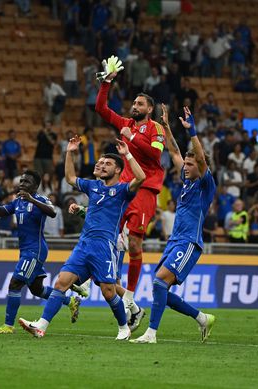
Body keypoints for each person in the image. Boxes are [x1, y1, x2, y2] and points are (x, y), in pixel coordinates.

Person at [19, 135, 145, 340]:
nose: (101, 165)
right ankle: (41, 326)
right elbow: (70, 178)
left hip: (104, 246)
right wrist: (70, 151)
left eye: (108, 164)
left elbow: (140, 178)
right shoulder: (93, 186)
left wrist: (128, 154)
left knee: (108, 291)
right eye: (101, 162)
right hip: (83, 245)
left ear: (118, 170)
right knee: (61, 282)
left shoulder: (122, 190)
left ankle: (124, 328)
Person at [130, 105, 216, 344]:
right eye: (185, 165)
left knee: (159, 282)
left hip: (189, 242)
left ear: (201, 167)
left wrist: (193, 132)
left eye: (191, 165)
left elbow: (199, 156)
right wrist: (167, 127)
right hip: (174, 241)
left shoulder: (205, 186)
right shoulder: (187, 183)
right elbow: (175, 151)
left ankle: (151, 334)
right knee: (160, 290)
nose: (185, 168)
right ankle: (201, 318)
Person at [95, 61, 165, 330]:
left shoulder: (155, 129)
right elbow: (101, 109)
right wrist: (106, 83)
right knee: (107, 234)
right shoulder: (126, 123)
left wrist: (131, 138)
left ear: (149, 109)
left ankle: (131, 298)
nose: (134, 107)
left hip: (145, 188)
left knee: (135, 244)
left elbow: (155, 155)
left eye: (139, 104)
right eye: (134, 103)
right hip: (123, 188)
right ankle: (101, 282)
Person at [0, 170, 80, 334]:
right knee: (37, 289)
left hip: (35, 250)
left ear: (35, 186)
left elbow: (52, 212)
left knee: (15, 284)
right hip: (25, 251)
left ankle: (8, 326)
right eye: (21, 181)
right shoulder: (17, 202)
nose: (22, 184)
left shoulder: (40, 199)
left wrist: (31, 199)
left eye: (26, 182)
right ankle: (70, 300)